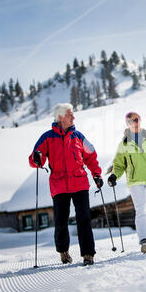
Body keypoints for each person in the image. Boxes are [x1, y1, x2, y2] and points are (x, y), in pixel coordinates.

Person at [29, 103, 103, 266]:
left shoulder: (78, 136)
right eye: (70, 114)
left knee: (84, 218)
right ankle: (63, 251)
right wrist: (37, 158)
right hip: (59, 184)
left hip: (79, 182)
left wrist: (96, 174)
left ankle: (88, 254)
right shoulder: (47, 137)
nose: (73, 117)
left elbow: (91, 156)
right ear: (61, 116)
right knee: (61, 220)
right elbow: (35, 160)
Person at [108, 112, 146, 254]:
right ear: (127, 123)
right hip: (135, 181)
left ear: (140, 120)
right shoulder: (124, 143)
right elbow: (119, 164)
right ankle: (144, 240)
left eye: (137, 119)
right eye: (131, 120)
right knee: (141, 211)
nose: (134, 122)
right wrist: (114, 175)